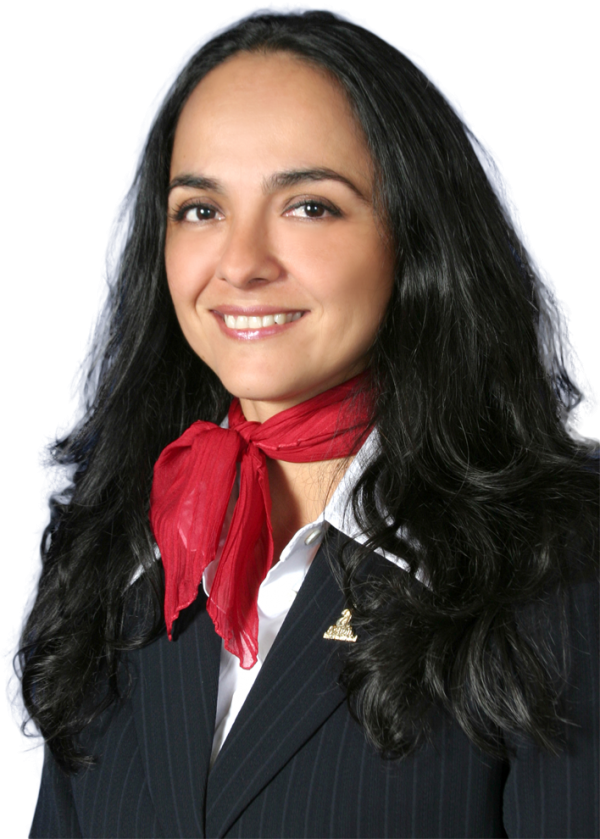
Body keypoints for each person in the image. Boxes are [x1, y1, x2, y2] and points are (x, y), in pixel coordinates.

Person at [16, 6, 599, 838]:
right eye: (201, 209)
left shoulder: (558, 561)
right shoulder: (114, 553)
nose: (242, 263)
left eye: (310, 206)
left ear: (413, 235)